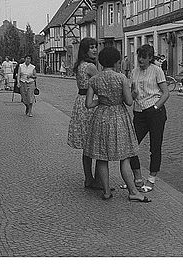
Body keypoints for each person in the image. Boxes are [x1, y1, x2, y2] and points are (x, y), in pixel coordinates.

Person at [84, 46, 150, 203]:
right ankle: (133, 191)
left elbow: (88, 104)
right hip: (119, 117)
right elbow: (128, 102)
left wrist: (100, 101)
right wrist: (132, 94)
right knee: (125, 157)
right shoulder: (121, 78)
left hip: (101, 117)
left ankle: (106, 191)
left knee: (101, 157)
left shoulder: (94, 80)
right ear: (115, 62)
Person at [129, 43, 169, 192]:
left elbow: (165, 93)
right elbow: (133, 92)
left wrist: (155, 107)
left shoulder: (157, 71)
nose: (140, 60)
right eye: (139, 56)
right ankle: (137, 178)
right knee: (131, 145)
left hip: (154, 112)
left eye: (143, 57)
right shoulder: (134, 72)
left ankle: (151, 179)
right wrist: (130, 95)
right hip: (139, 112)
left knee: (155, 146)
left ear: (150, 58)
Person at [67, 37, 99, 189]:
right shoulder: (90, 67)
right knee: (97, 142)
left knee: (87, 144)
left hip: (81, 102)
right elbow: (103, 82)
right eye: (91, 47)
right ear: (85, 49)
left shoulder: (80, 65)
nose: (94, 50)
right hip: (91, 103)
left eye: (95, 47)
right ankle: (98, 179)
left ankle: (89, 178)